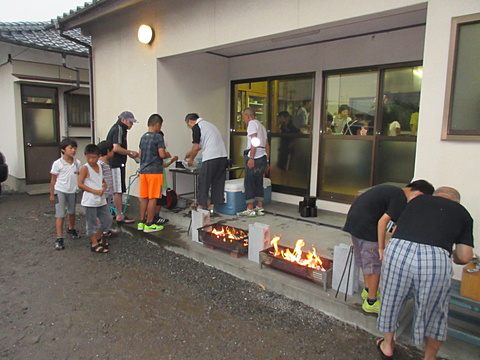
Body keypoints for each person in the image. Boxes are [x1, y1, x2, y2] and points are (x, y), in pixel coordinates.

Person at [376, 187, 474, 360]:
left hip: (399, 250)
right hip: (434, 259)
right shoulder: (462, 213)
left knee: (390, 300)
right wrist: (456, 258)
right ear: (456, 201)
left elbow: (395, 232)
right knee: (434, 312)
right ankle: (429, 357)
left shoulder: (415, 202)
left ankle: (387, 345)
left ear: (435, 195)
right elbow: (465, 256)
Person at [342, 180, 435, 314]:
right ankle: (371, 302)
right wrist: (381, 247)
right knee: (374, 264)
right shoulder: (400, 198)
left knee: (365, 260)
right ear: (419, 194)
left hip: (354, 224)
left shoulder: (392, 191)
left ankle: (368, 290)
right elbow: (383, 221)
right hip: (368, 228)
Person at [184, 113, 227, 213]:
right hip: (222, 157)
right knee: (217, 182)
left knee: (204, 181)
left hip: (211, 157)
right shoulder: (209, 125)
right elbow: (198, 146)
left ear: (190, 121)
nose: (189, 127)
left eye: (188, 125)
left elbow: (195, 146)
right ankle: (212, 207)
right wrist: (190, 153)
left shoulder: (196, 127)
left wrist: (191, 160)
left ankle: (201, 207)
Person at [137, 114, 170, 233]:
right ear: (157, 125)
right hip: (155, 171)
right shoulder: (157, 137)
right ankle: (149, 224)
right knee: (153, 198)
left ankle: (141, 222)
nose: (160, 128)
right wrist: (167, 155)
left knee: (144, 198)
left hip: (143, 171)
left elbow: (140, 155)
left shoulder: (143, 137)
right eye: (160, 125)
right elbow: (162, 154)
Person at [106, 111, 139, 224]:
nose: (131, 124)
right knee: (118, 190)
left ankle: (116, 213)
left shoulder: (118, 128)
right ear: (123, 119)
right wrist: (130, 152)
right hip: (116, 163)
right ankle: (120, 215)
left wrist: (128, 154)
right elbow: (116, 148)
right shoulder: (119, 128)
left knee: (116, 190)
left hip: (114, 163)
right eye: (130, 122)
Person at [78, 144, 112, 254]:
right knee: (91, 223)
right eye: (88, 157)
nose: (91, 160)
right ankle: (94, 243)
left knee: (107, 220)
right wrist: (95, 191)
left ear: (99, 156)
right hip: (89, 201)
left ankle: (97, 237)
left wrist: (104, 186)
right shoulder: (85, 168)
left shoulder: (100, 167)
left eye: (93, 157)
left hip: (100, 199)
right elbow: (80, 184)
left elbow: (101, 180)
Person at [49, 138, 82, 250]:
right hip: (60, 190)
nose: (73, 150)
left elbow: (80, 176)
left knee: (72, 212)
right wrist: (52, 194)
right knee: (60, 214)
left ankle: (71, 228)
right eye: (70, 148)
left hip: (72, 191)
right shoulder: (57, 163)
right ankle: (59, 238)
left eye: (75, 148)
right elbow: (53, 180)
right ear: (63, 150)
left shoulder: (77, 163)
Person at [237, 107, 270, 217]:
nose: (244, 121)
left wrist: (251, 157)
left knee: (249, 182)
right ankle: (260, 207)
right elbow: (267, 145)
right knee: (259, 182)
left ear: (247, 116)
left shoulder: (252, 124)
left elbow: (254, 140)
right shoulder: (262, 126)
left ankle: (250, 208)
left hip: (254, 157)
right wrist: (267, 161)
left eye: (243, 118)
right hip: (262, 157)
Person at [153, 129, 178, 225]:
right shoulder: (159, 150)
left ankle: (148, 218)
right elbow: (164, 164)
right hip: (159, 177)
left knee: (152, 198)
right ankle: (156, 217)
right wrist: (173, 159)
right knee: (159, 199)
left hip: (150, 176)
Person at [97, 140, 119, 238]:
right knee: (101, 214)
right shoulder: (100, 164)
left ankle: (105, 230)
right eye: (112, 150)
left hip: (108, 193)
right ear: (108, 151)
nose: (113, 152)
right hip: (102, 193)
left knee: (106, 213)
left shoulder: (106, 163)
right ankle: (99, 233)